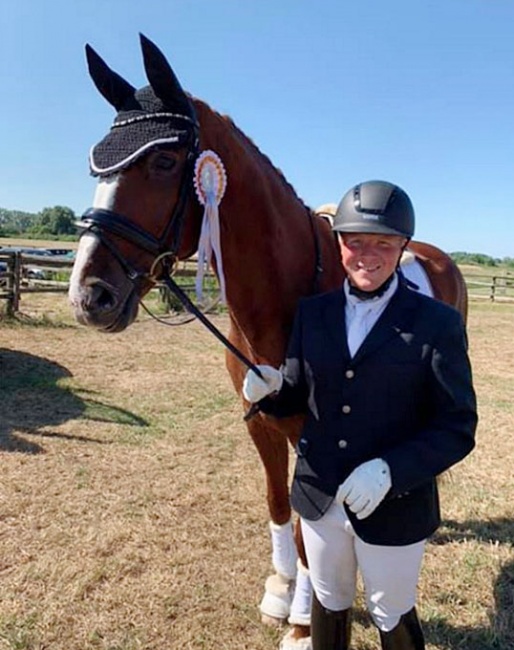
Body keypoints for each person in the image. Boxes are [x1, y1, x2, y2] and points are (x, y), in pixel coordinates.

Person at [242, 180, 477, 650]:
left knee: (390, 610)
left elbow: (457, 427)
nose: (367, 254)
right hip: (318, 493)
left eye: (383, 243)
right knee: (329, 601)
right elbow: (296, 397)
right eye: (356, 242)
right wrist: (269, 394)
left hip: (394, 504)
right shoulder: (313, 314)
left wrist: (392, 470)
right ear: (340, 244)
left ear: (402, 247)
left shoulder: (438, 324)